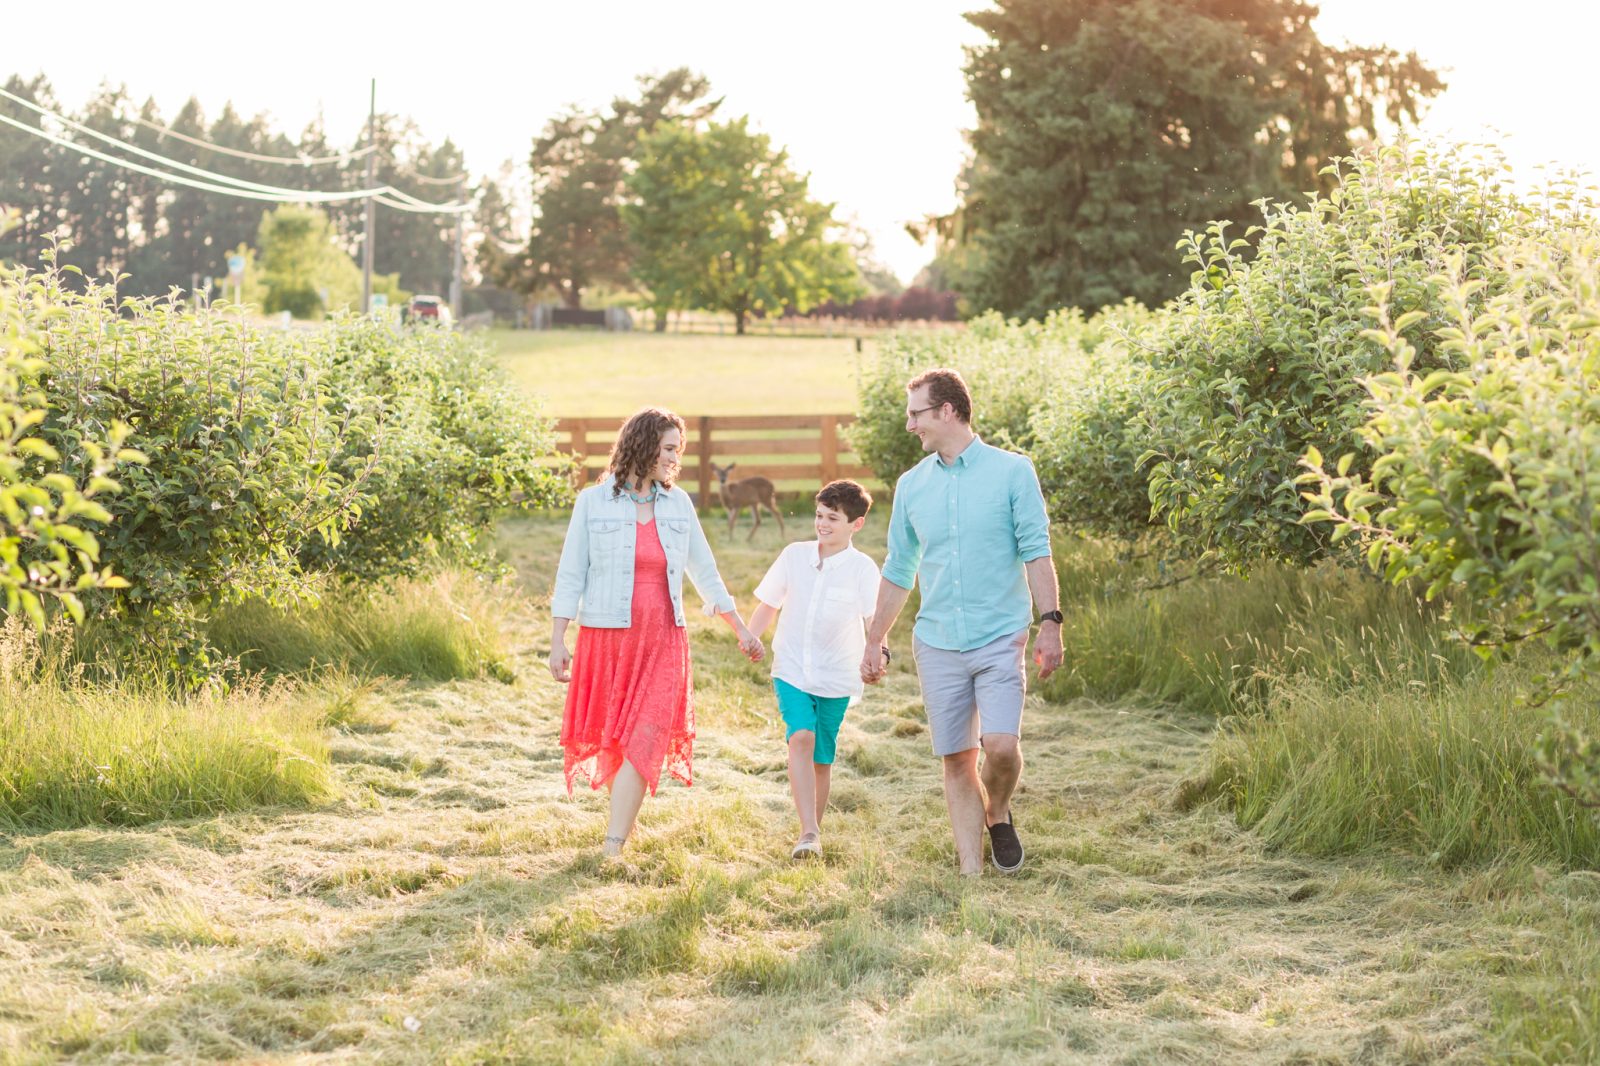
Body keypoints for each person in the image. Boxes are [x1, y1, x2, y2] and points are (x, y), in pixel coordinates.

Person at [860, 369, 1064, 876]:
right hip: (938, 641)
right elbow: (899, 567)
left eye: (916, 414)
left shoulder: (1014, 472)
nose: (910, 426)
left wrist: (1051, 622)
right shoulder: (912, 486)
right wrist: (875, 638)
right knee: (956, 759)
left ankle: (997, 810)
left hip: (999, 635)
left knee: (999, 748)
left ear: (947, 411)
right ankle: (972, 873)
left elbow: (1037, 552)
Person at [550, 407, 764, 858]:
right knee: (619, 739)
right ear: (643, 445)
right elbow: (571, 574)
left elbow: (705, 572)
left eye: (678, 450)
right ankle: (619, 831)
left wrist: (740, 628)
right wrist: (558, 640)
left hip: (664, 637)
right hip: (610, 638)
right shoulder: (593, 502)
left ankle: (612, 846)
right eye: (668, 449)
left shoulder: (678, 504)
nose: (674, 459)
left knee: (646, 734)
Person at [746, 480, 880, 860]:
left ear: (856, 523)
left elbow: (875, 621)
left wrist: (879, 654)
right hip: (790, 668)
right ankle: (807, 830)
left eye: (832, 518)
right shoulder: (794, 556)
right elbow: (769, 603)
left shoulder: (862, 569)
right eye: (819, 515)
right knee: (801, 736)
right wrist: (752, 636)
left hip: (837, 675)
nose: (822, 524)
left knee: (821, 756)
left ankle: (812, 835)